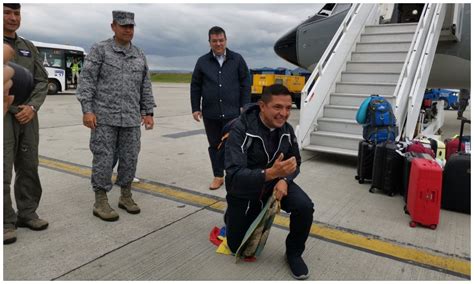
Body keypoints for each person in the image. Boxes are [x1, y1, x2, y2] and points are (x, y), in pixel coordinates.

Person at [224, 84, 314, 280]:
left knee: (304, 206)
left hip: (274, 182)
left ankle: (294, 253)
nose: (284, 113)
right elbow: (234, 173)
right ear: (262, 106)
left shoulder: (287, 130)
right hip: (243, 188)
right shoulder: (240, 129)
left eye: (289, 108)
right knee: (236, 246)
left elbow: (295, 161)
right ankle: (231, 215)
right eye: (277, 107)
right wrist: (270, 173)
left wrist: (283, 179)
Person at [76, 10, 155, 222]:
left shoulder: (139, 54)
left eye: (131, 26)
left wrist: (148, 112)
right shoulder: (100, 50)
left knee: (130, 158)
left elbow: (145, 85)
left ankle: (126, 195)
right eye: (124, 26)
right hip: (104, 118)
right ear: (113, 27)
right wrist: (87, 110)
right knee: (103, 158)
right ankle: (100, 200)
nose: (128, 30)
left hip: (130, 119)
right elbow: (87, 81)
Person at [3, 3, 49, 245]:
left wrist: (32, 107)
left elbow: (42, 80)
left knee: (29, 165)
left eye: (16, 13)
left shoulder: (28, 47)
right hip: (4, 115)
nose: (13, 18)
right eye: (7, 12)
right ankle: (5, 222)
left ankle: (27, 213)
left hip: (28, 115)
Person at [190, 26, 250, 190]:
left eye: (221, 40)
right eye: (214, 41)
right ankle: (218, 176)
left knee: (235, 145)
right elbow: (195, 85)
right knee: (215, 145)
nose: (218, 44)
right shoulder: (202, 62)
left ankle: (235, 175)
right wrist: (196, 107)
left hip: (233, 114)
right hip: (211, 113)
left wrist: (245, 105)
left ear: (226, 40)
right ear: (209, 42)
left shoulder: (237, 59)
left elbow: (246, 83)